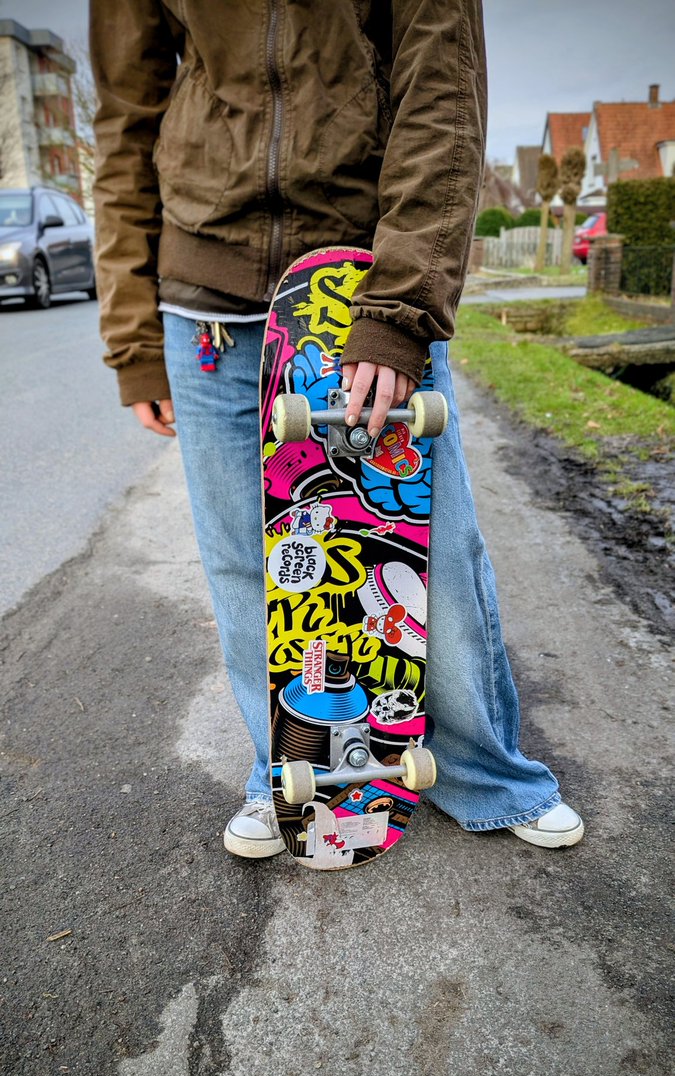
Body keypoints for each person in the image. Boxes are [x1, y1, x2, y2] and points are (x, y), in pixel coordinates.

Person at [90, 0, 583, 858]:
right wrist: (133, 338)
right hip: (205, 299)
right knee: (247, 558)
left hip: (357, 279)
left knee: (424, 546)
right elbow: (125, 117)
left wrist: (398, 311)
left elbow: (441, 92)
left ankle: (485, 774)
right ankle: (284, 771)